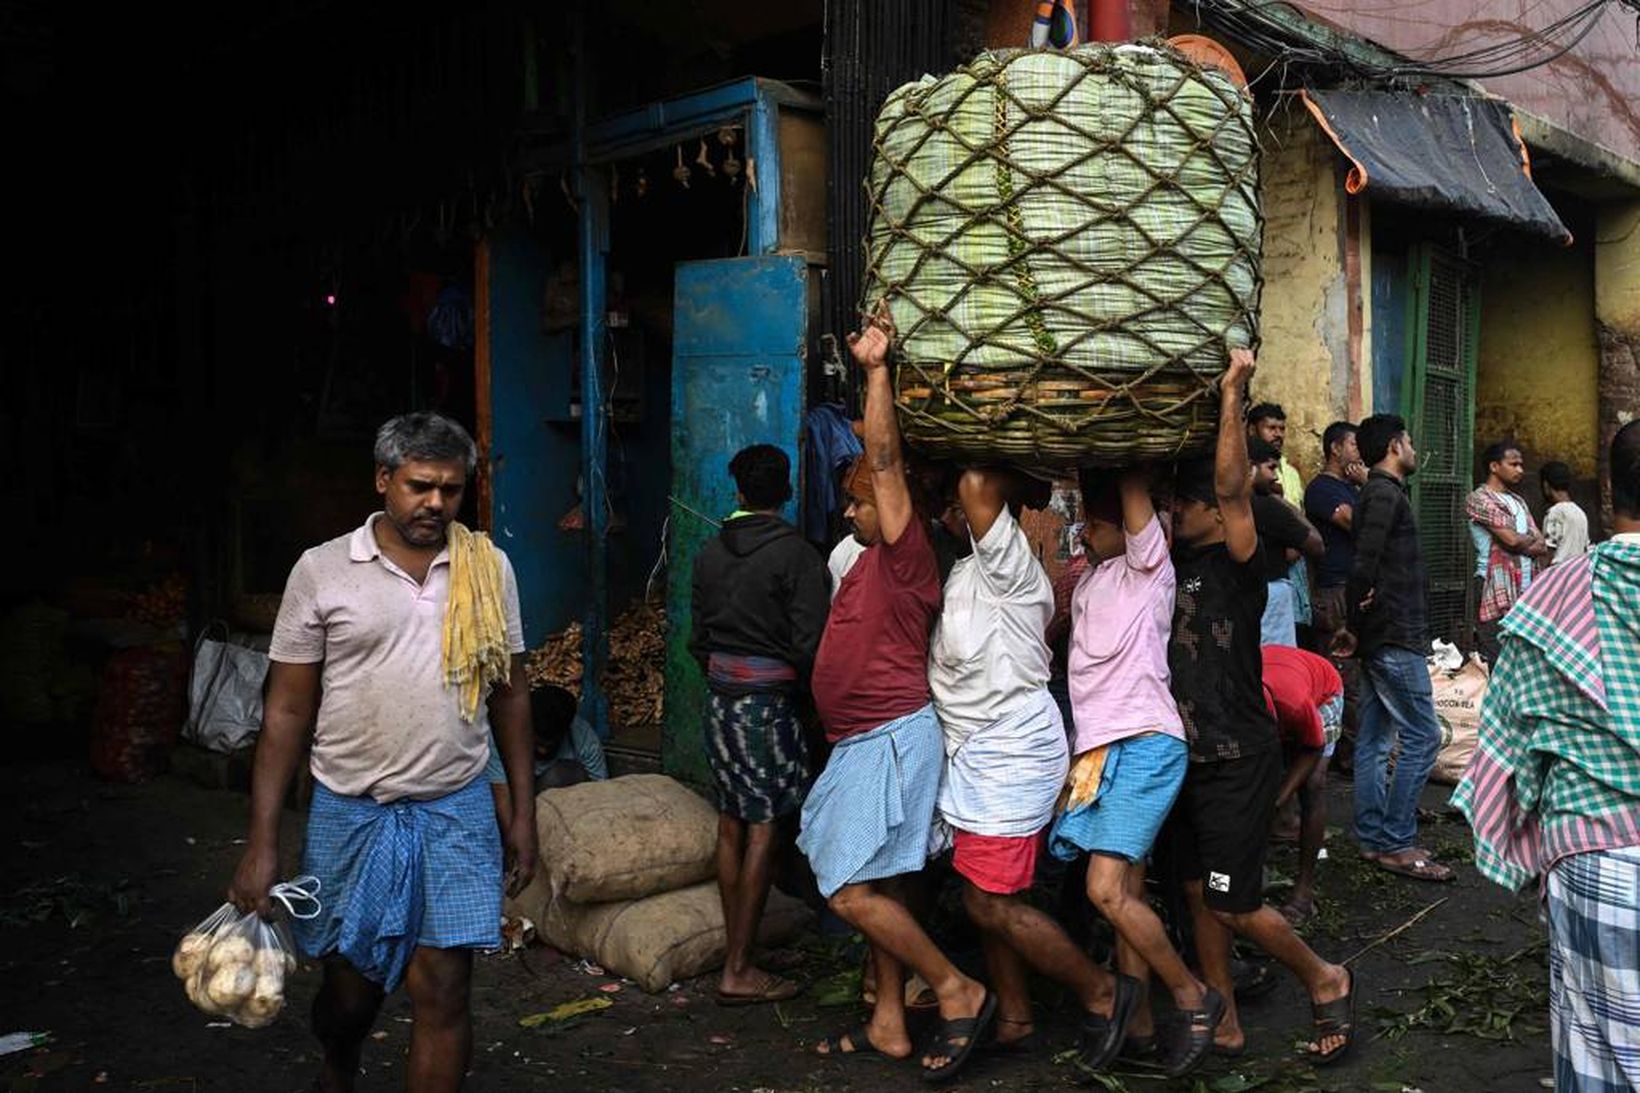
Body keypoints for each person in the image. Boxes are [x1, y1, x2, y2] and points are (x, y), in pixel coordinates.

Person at [228, 412, 535, 1093]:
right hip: (350, 811)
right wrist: (263, 840)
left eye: (452, 490)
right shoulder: (324, 570)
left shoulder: (488, 568)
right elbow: (284, 711)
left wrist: (522, 809)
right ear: (382, 480)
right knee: (350, 992)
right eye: (420, 486)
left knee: (445, 989)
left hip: (454, 809)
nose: (435, 503)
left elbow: (511, 695)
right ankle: (339, 1061)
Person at [798, 304, 992, 1080]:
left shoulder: (909, 554)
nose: (851, 512)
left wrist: (876, 369)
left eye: (860, 500)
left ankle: (954, 985)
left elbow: (883, 459)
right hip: (864, 739)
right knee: (881, 884)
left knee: (847, 888)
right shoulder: (866, 559)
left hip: (888, 735)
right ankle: (887, 1021)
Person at [1164, 349, 1355, 1065]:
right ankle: (1229, 1020)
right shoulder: (1175, 561)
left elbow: (1230, 485)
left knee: (1233, 900)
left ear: (1218, 512)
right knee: (1194, 889)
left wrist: (1231, 395)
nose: (1177, 513)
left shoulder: (1241, 562)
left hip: (1238, 753)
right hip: (1188, 752)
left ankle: (1324, 974)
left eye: (1188, 505)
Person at [926, 466, 1132, 1077]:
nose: (949, 516)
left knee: (988, 903)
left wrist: (983, 454)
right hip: (979, 754)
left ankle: (1101, 990)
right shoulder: (970, 567)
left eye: (957, 510)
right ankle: (1015, 1013)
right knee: (987, 890)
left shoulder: (1006, 562)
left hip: (1008, 753)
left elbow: (972, 481)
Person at [1454, 420, 1640, 1093]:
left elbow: (1509, 739)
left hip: (1590, 856)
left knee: (1595, 1053)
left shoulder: (1551, 600)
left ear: (1610, 489)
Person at [1050, 468, 1221, 1079]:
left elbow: (1134, 500)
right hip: (1099, 754)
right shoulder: (1090, 581)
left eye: (1093, 525)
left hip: (1146, 744)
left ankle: (1192, 996)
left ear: (1126, 528)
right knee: (1120, 894)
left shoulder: (1150, 569)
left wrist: (1124, 463)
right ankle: (1140, 1023)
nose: (1083, 535)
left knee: (1104, 890)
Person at [689, 443, 830, 1006]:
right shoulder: (797, 556)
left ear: (739, 491)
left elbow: (698, 639)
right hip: (767, 706)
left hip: (721, 701)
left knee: (732, 820)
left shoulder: (709, 552)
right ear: (788, 491)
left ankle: (738, 951)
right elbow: (812, 645)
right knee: (766, 826)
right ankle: (739, 968)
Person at [1346, 414, 1454, 883]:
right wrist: (1358, 613)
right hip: (1394, 635)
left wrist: (1359, 619)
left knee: (1374, 738)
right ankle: (1396, 842)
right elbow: (1364, 561)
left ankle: (1374, 838)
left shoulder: (1378, 494)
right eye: (1409, 440)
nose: (1413, 448)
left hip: (1383, 633)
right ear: (1395, 445)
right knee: (1423, 736)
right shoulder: (1385, 494)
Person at [1261, 645, 1344, 927]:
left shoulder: (1295, 705)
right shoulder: (1236, 698)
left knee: (1312, 784)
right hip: (1278, 674)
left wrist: (1279, 798)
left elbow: (1312, 748)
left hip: (1323, 692)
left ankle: (1304, 890)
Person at [1303, 422, 1366, 758]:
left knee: (1357, 675)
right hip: (1335, 589)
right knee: (1341, 675)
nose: (1359, 452)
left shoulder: (1353, 490)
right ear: (1335, 449)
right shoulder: (1322, 490)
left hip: (1355, 588)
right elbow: (1361, 526)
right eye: (1354, 445)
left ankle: (1355, 750)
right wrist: (1369, 486)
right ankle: (1344, 754)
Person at [1467, 441, 1551, 664]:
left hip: (1524, 591)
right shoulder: (1479, 499)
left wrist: (1517, 540)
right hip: (1492, 587)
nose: (1520, 470)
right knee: (1496, 660)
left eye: (1521, 465)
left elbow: (1542, 546)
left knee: (1521, 661)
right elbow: (1512, 540)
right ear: (1494, 466)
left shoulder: (1518, 502)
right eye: (1513, 464)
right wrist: (1521, 539)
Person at [1249, 401, 1314, 642]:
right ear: (1253, 429)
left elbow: (1299, 514)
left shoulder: (1290, 472)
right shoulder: (1246, 474)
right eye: (1271, 428)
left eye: (1281, 428)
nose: (1277, 434)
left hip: (1291, 568)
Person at [1539, 461, 1590, 566]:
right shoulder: (1579, 512)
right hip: (1576, 573)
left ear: (1546, 485)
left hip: (1558, 573)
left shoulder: (1555, 512)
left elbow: (1549, 550)